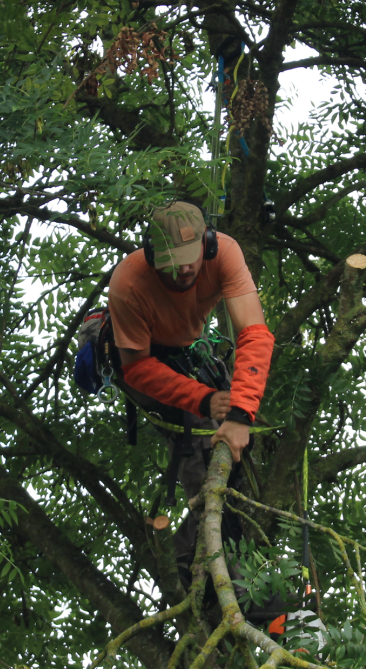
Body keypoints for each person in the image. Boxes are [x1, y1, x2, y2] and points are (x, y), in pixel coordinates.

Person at [105, 200, 279, 615]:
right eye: (171, 262)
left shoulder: (226, 254)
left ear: (207, 243)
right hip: (145, 363)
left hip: (189, 351)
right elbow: (137, 370)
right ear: (151, 253)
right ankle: (202, 575)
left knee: (238, 444)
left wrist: (240, 414)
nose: (183, 270)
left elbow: (255, 334)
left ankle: (240, 564)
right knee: (201, 452)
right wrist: (200, 398)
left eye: (190, 259)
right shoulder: (129, 282)